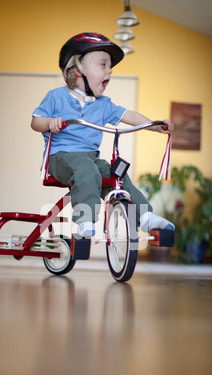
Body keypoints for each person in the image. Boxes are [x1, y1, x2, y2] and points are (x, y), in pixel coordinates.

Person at [31, 32, 175, 238]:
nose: (110, 70)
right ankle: (85, 219)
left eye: (110, 66)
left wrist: (155, 126)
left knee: (116, 174)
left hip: (90, 158)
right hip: (60, 157)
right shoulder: (57, 96)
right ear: (77, 69)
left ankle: (144, 216)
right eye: (103, 65)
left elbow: (129, 115)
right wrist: (49, 122)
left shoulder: (103, 104)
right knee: (86, 168)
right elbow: (35, 122)